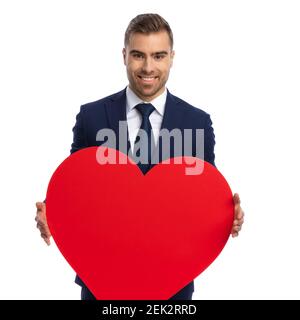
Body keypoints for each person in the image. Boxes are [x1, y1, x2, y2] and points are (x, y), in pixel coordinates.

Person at [35, 13, 244, 300]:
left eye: (158, 56)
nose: (148, 67)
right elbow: (75, 184)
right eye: (138, 55)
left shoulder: (196, 123)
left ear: (171, 57)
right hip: (101, 279)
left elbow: (205, 196)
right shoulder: (92, 117)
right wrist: (51, 210)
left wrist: (227, 217)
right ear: (124, 55)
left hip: (173, 283)